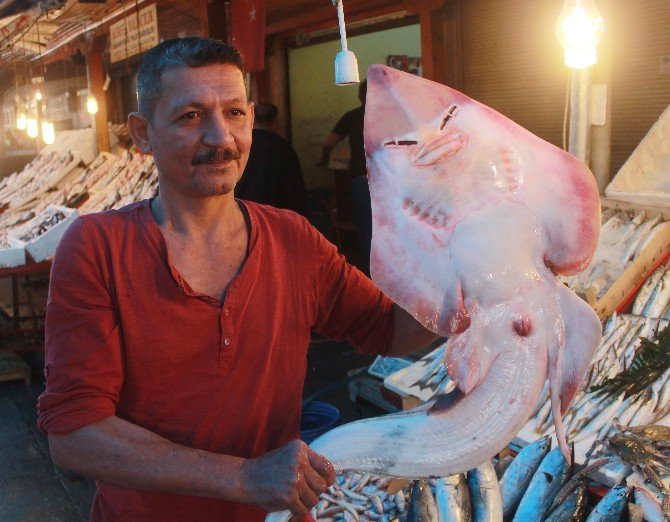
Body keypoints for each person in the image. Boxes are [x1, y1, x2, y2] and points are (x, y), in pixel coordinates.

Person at [37, 37, 438, 522]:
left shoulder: (294, 239)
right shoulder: (97, 247)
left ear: (251, 116)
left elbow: (390, 329)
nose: (220, 138)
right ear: (142, 134)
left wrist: (476, 280)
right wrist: (245, 478)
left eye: (234, 114)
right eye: (190, 117)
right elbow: (74, 432)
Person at [318, 80, 371, 275]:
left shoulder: (353, 116)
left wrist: (324, 160)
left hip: (362, 179)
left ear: (359, 96)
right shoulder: (391, 115)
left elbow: (329, 142)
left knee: (367, 228)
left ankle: (370, 277)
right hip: (390, 182)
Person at [236, 102, 307, 214]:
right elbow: (294, 187)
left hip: (242, 211)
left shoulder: (240, 145)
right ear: (275, 121)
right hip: (273, 213)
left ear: (251, 119)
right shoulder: (282, 147)